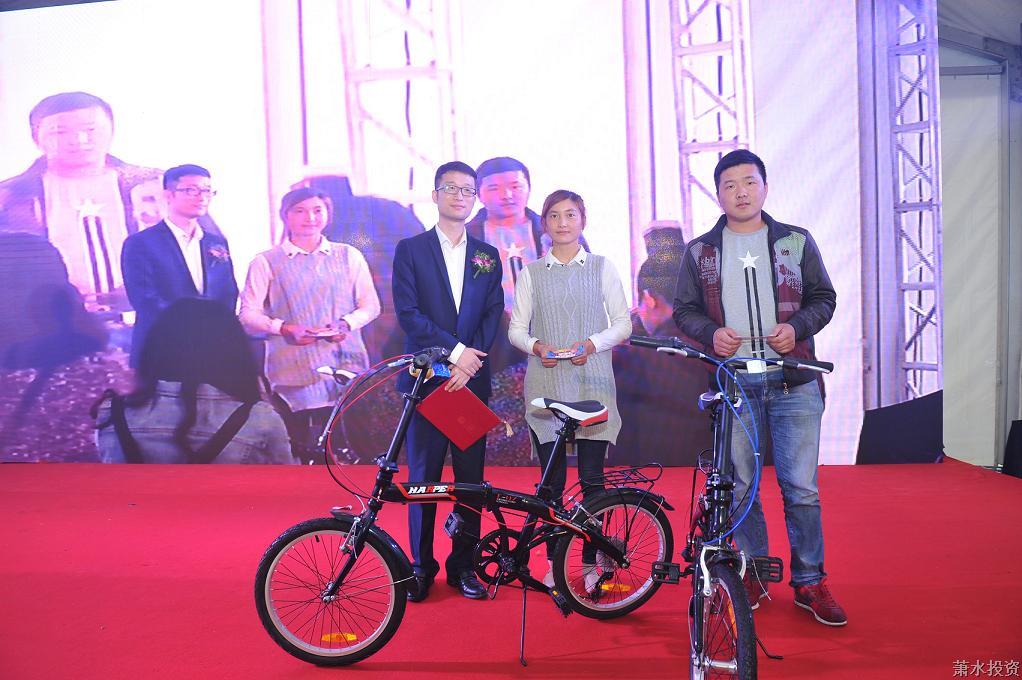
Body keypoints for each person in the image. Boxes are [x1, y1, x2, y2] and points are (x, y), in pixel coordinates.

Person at [672, 149, 844, 626]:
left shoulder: (794, 241)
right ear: (718, 194)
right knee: (741, 487)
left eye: (749, 182)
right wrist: (711, 334)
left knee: (801, 488)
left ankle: (810, 581)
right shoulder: (701, 252)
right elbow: (683, 310)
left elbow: (824, 298)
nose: (741, 192)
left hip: (794, 381)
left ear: (765, 187)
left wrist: (798, 328)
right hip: (735, 382)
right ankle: (752, 573)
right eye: (730, 185)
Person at [508, 189, 631, 591]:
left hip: (592, 383)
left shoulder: (601, 267)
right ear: (544, 224)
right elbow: (516, 330)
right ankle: (553, 563)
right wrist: (536, 347)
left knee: (593, 481)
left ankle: (592, 563)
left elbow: (623, 324)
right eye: (554, 216)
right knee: (552, 485)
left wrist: (592, 344)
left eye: (571, 215)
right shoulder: (531, 273)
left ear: (583, 220)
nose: (563, 223)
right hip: (546, 387)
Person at [391, 161, 503, 602]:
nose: (460, 196)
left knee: (470, 480)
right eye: (451, 188)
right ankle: (421, 568)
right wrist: (456, 354)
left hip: (469, 383)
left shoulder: (487, 254)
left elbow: (493, 312)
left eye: (467, 190)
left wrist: (467, 363)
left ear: (475, 199)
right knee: (424, 479)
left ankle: (464, 566)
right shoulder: (411, 250)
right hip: (427, 383)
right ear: (435, 195)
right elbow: (409, 314)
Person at [0, 92, 217, 311]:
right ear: (36, 138)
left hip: (158, 319)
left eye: (90, 129)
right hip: (50, 323)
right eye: (60, 132)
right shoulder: (9, 197)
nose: (78, 140)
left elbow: (210, 253)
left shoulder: (160, 187)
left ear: (111, 130)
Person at [239, 187, 381, 464]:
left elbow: (371, 306)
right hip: (293, 367)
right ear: (285, 215)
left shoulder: (348, 255)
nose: (310, 218)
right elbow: (247, 314)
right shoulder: (266, 261)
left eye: (318, 210)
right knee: (302, 445)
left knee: (349, 444)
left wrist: (346, 323)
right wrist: (283, 327)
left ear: (328, 214)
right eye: (300, 211)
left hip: (345, 362)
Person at [94, 298, 295, 464]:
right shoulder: (260, 419)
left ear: (154, 349)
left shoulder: (112, 413)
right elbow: (284, 489)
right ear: (235, 353)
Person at [466, 157, 588, 374]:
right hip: (492, 339)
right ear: (478, 194)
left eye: (516, 186)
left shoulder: (559, 230)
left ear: (529, 188)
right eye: (494, 188)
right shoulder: (466, 238)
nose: (507, 195)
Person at [121, 164, 239, 367]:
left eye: (207, 191)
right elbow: (145, 299)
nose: (201, 197)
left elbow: (227, 292)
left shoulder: (216, 242)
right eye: (192, 190)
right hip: (162, 350)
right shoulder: (141, 243)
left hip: (212, 350)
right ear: (168, 195)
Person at [612, 237, 709, 466]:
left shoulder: (632, 360)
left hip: (649, 480)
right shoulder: (719, 350)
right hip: (708, 478)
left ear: (649, 298)